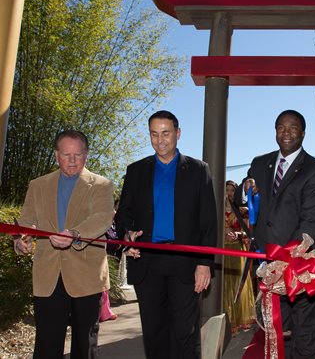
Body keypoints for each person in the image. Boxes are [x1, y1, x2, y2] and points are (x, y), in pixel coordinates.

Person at [115, 110, 217, 359]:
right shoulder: (136, 171)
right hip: (146, 261)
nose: (159, 140)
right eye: (154, 134)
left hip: (184, 261)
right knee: (154, 331)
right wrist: (127, 237)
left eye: (165, 133)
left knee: (186, 331)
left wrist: (204, 264)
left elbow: (208, 222)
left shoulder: (198, 170)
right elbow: (123, 215)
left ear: (178, 134)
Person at [238, 109, 315, 358]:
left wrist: (286, 258)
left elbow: (311, 221)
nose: (286, 133)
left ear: (302, 132)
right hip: (268, 264)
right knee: (277, 330)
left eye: (292, 128)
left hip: (301, 266)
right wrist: (246, 185)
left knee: (306, 332)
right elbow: (241, 195)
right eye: (281, 127)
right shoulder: (260, 163)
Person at [15, 130, 114, 358]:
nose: (72, 160)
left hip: (87, 276)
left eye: (77, 155)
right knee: (47, 345)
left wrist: (74, 233)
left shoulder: (102, 185)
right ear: (56, 154)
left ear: (86, 155)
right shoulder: (38, 185)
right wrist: (22, 240)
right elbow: (26, 221)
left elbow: (101, 218)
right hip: (47, 275)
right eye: (66, 154)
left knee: (85, 344)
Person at [223, 180, 255, 333]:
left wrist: (237, 234)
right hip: (221, 253)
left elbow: (249, 233)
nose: (228, 193)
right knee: (223, 286)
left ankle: (237, 319)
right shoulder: (216, 210)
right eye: (226, 190)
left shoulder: (243, 211)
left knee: (237, 285)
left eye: (232, 190)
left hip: (237, 251)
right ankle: (225, 319)